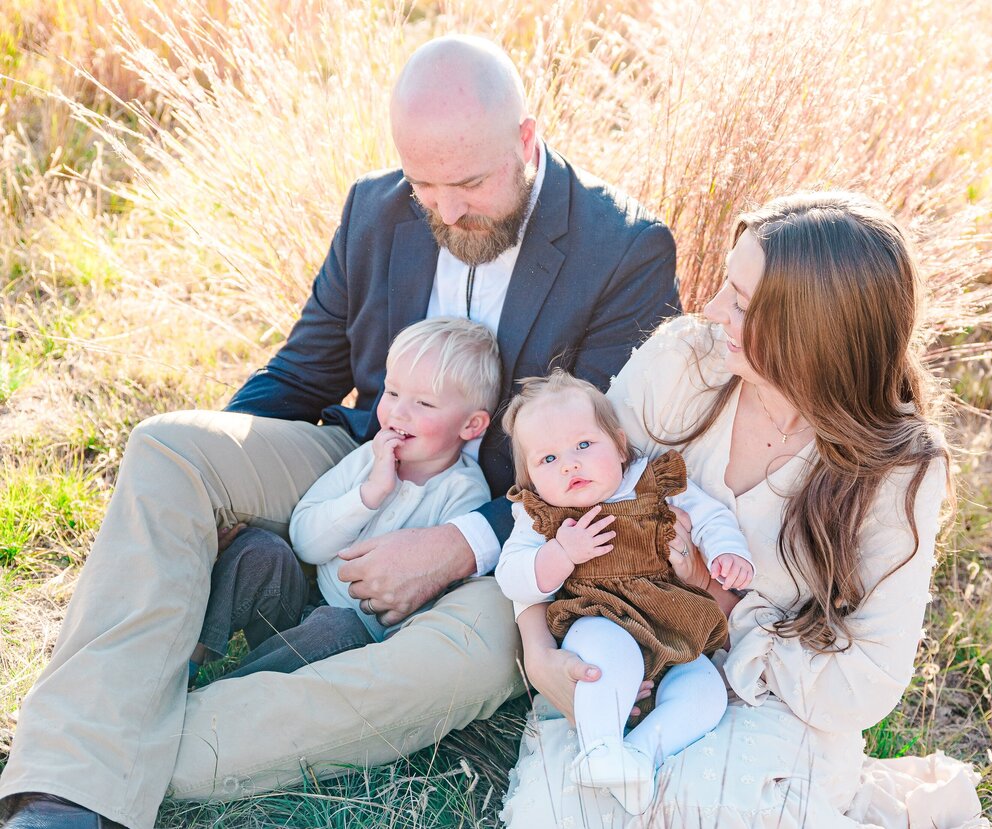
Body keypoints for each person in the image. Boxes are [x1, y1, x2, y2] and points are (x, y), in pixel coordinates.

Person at [0, 34, 678, 829]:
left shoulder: (626, 250)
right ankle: (73, 777)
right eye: (426, 185)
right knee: (170, 448)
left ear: (527, 140)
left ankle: (85, 752)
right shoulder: (375, 208)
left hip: (522, 535)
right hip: (366, 458)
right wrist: (226, 483)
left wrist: (457, 543)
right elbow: (299, 376)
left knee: (459, 665)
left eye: (468, 182)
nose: (446, 210)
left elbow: (596, 462)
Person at [501, 192, 990, 828]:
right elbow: (550, 502)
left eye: (740, 302)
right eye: (725, 287)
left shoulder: (897, 469)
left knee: (716, 810)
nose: (709, 311)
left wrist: (719, 604)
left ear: (811, 332)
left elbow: (865, 679)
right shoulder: (686, 363)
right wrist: (539, 653)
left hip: (774, 707)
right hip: (630, 668)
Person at [495, 371, 753, 814]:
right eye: (548, 459)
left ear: (618, 444)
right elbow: (511, 576)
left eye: (583, 446)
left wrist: (727, 551)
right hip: (600, 619)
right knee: (603, 657)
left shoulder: (654, 482)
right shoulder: (540, 516)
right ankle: (599, 748)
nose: (570, 465)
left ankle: (638, 756)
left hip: (672, 627)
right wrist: (559, 553)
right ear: (531, 479)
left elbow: (711, 517)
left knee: (706, 690)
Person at [190, 317, 500, 681]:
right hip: (302, 596)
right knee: (259, 551)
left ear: (471, 426)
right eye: (393, 393)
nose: (398, 412)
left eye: (424, 404)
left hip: (355, 639)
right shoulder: (370, 456)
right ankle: (186, 659)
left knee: (335, 625)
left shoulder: (464, 494)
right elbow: (304, 543)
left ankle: (229, 692)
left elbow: (430, 600)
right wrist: (369, 495)